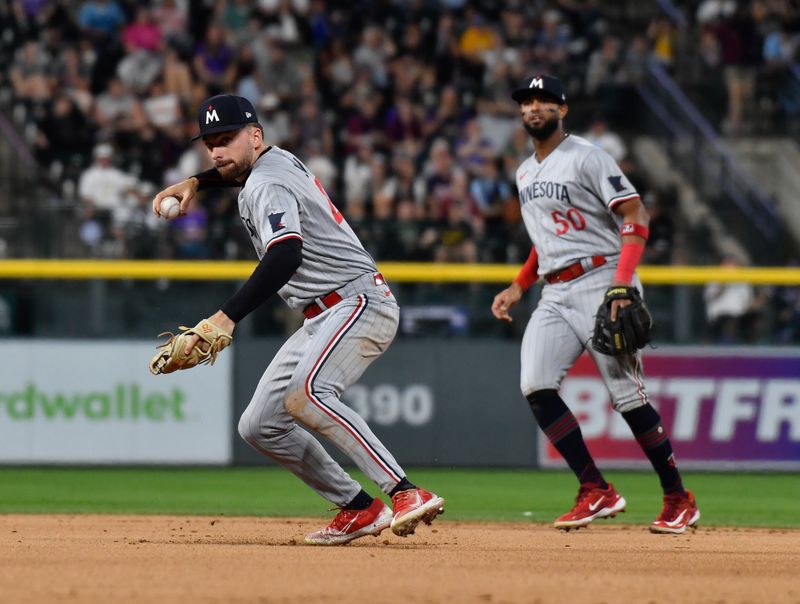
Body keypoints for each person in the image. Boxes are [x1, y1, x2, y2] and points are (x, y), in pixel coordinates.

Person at [151, 94, 444, 545]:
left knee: (307, 393)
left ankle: (405, 492)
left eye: (226, 138)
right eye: (210, 142)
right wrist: (197, 181)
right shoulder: (276, 160)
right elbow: (238, 170)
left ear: (255, 135)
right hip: (322, 314)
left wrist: (226, 317)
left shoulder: (265, 185)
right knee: (259, 424)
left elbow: (285, 255)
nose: (217, 151)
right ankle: (359, 508)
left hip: (357, 302)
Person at [491, 75, 700, 534]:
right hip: (555, 289)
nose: (533, 107)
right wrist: (518, 286)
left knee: (627, 397)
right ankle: (595, 489)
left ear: (562, 110)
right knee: (536, 384)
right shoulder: (525, 171)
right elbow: (544, 242)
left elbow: (634, 214)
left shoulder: (587, 156)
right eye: (527, 101)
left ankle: (678, 498)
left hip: (603, 278)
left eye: (544, 100)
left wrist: (622, 287)